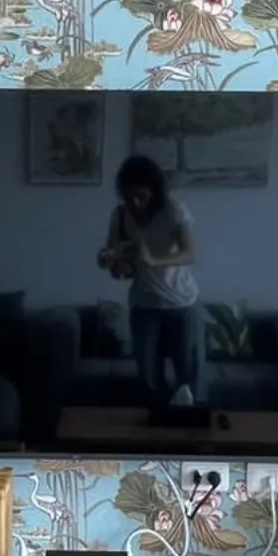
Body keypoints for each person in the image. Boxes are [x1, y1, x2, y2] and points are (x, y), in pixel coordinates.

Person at [98, 155, 203, 407]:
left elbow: (189, 254)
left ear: (155, 191)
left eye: (141, 196)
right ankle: (155, 426)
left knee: (189, 378)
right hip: (144, 305)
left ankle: (192, 426)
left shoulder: (174, 209)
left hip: (182, 303)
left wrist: (153, 260)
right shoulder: (120, 215)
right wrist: (112, 262)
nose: (134, 202)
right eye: (128, 196)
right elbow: (119, 270)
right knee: (148, 378)